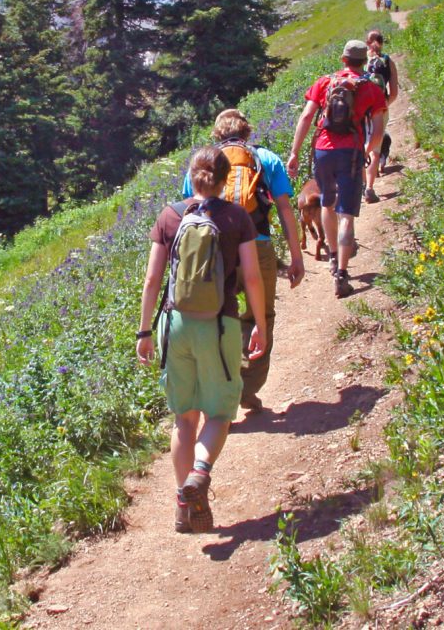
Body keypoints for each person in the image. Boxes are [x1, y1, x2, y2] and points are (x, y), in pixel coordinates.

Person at [137, 146, 266, 533]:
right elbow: (253, 278)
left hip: (174, 324)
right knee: (221, 412)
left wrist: (145, 331)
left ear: (190, 176)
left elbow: (152, 281)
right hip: (220, 324)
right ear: (227, 180)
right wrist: (259, 323)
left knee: (183, 417)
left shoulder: (170, 216)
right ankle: (200, 472)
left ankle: (183, 504)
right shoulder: (236, 217)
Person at [181, 109, 304, 413]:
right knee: (261, 316)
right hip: (258, 246)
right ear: (247, 131)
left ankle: (216, 388)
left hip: (212, 249)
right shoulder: (266, 159)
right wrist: (296, 255)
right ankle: (245, 390)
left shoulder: (199, 164)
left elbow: (189, 210)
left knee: (215, 315)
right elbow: (286, 210)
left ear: (217, 134)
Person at [286, 40, 386, 298]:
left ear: (343, 59)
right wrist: (365, 151)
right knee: (347, 215)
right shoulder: (371, 88)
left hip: (323, 150)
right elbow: (378, 131)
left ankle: (332, 257)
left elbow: (306, 117)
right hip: (350, 151)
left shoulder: (325, 82)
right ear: (364, 61)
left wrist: (294, 152)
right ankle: (342, 273)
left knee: (327, 205)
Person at [363, 30, 400, 201]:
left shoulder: (361, 60)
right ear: (382, 42)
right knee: (374, 147)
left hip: (361, 109)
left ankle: (361, 185)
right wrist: (384, 105)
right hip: (380, 109)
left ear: (368, 43)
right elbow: (394, 92)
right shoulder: (388, 61)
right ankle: (369, 188)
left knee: (360, 143)